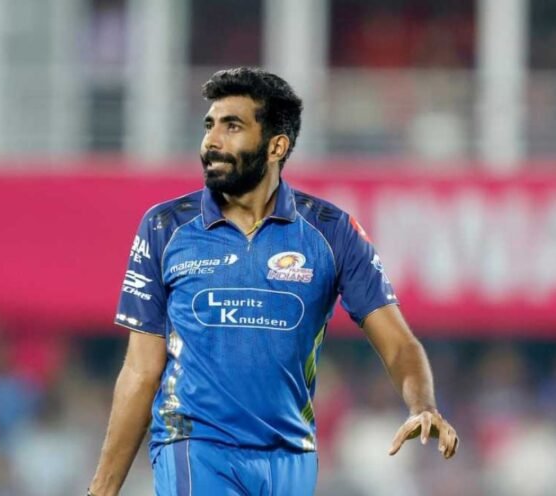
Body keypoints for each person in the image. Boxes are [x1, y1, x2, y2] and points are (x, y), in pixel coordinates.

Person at [88, 67, 459, 496]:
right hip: (195, 445)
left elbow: (398, 344)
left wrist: (422, 405)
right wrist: (102, 489)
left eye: (232, 127)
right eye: (209, 125)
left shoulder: (332, 232)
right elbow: (140, 371)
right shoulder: (165, 227)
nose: (211, 141)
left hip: (291, 455)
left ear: (276, 146)